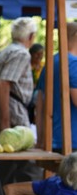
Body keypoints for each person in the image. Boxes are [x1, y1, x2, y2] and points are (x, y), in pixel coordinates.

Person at [0, 17, 42, 183]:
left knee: (8, 165)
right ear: (31, 36)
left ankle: (0, 194)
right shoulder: (21, 53)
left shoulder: (7, 50)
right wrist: (5, 121)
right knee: (25, 165)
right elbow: (3, 84)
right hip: (13, 115)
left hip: (2, 112)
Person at [35, 22, 77, 152]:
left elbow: (39, 104)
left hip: (51, 140)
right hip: (72, 140)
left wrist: (40, 139)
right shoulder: (74, 63)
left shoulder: (49, 63)